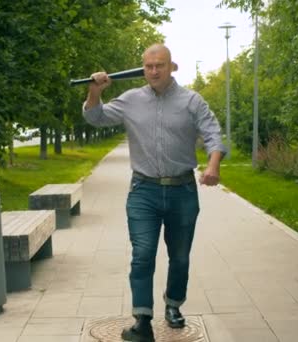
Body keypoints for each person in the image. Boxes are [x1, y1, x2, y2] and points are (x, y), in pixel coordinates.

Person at [82, 43, 226, 342]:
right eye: (148, 66)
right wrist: (96, 90)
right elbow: (96, 117)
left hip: (182, 191)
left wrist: (213, 166)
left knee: (180, 256)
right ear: (143, 68)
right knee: (143, 255)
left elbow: (213, 133)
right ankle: (142, 320)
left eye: (160, 65)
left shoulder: (191, 101)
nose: (154, 71)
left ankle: (173, 306)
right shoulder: (131, 100)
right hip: (143, 191)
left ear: (172, 67)